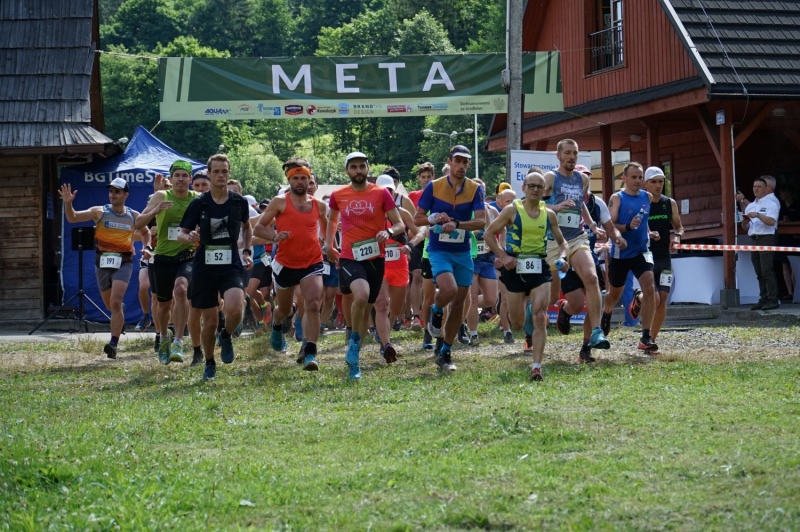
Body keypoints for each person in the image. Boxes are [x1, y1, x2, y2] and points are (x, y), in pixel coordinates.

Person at [484, 171, 570, 381]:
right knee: (517, 324)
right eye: (530, 186)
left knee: (540, 316)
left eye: (538, 187)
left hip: (539, 265)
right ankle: (528, 307)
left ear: (544, 191)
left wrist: (565, 257)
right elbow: (488, 233)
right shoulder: (512, 210)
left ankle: (537, 366)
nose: (534, 189)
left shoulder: (549, 214)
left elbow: (562, 242)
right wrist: (503, 256)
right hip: (514, 267)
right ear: (523, 188)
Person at [325, 152, 404, 380]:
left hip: (376, 258)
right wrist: (329, 245)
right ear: (347, 171)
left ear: (368, 169)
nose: (358, 171)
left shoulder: (380, 194)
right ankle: (354, 343)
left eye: (362, 166)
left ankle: (355, 346)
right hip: (350, 256)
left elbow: (398, 224)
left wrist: (387, 231)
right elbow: (332, 220)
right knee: (361, 295)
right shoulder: (338, 195)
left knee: (368, 304)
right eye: (354, 167)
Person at [177, 154, 253, 381]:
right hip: (204, 265)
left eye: (224, 171)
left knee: (235, 309)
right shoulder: (199, 203)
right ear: (209, 174)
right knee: (209, 321)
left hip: (230, 262)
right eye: (216, 171)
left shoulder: (239, 201)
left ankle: (227, 334)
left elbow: (247, 228)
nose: (221, 175)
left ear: (229, 173)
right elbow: (181, 233)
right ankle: (209, 362)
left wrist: (247, 251)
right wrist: (188, 237)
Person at [58, 177, 151, 359]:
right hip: (103, 263)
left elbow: (146, 233)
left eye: (117, 191)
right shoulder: (99, 212)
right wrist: (68, 204)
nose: (113, 195)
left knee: (115, 302)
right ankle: (119, 313)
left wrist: (146, 248)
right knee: (111, 306)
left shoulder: (134, 216)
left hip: (124, 262)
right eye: (111, 191)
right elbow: (73, 217)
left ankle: (113, 343)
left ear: (126, 195)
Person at [414, 145, 486, 371]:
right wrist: (433, 218)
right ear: (449, 162)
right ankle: (436, 310)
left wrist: (457, 224)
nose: (462, 166)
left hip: (463, 251)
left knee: (458, 305)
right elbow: (417, 219)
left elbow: (481, 221)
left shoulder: (475, 189)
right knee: (449, 290)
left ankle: (445, 351)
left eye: (466, 162)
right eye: (458, 161)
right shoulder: (434, 187)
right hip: (438, 250)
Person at [255, 158, 327, 371]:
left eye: (304, 178)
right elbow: (259, 228)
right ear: (289, 180)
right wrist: (275, 236)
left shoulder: (319, 206)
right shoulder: (280, 202)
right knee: (285, 309)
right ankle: (277, 326)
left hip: (312, 262)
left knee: (313, 303)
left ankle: (310, 352)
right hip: (285, 264)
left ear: (310, 179)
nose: (300, 182)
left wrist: (328, 245)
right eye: (295, 178)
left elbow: (327, 228)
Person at [543, 139, 612, 352]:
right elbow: (536, 204)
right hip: (554, 240)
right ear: (559, 155)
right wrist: (557, 206)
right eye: (568, 153)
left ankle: (596, 332)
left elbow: (581, 203)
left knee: (592, 279)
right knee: (552, 296)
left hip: (577, 238)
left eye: (575, 153)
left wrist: (592, 224)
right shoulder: (551, 178)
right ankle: (533, 319)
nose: (572, 157)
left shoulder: (581, 179)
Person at [554, 164, 625, 362]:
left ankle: (586, 347)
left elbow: (611, 228)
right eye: (580, 179)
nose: (583, 184)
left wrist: (616, 237)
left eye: (586, 179)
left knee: (594, 291)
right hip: (565, 252)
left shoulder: (597, 203)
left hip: (586, 253)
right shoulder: (560, 196)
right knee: (577, 304)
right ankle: (565, 309)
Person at [136, 160, 201, 365]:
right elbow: (138, 224)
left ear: (190, 179)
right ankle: (164, 337)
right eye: (177, 175)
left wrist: (198, 234)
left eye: (185, 175)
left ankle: (179, 342)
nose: (181, 179)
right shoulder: (161, 196)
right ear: (171, 179)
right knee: (163, 306)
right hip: (163, 256)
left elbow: (205, 222)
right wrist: (155, 211)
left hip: (187, 255)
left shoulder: (197, 199)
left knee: (181, 291)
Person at [600, 162, 659, 352]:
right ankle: (607, 313)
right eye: (633, 177)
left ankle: (645, 337)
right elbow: (610, 226)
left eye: (640, 177)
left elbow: (643, 220)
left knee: (649, 287)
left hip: (642, 250)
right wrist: (627, 228)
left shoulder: (647, 197)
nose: (637, 181)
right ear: (624, 178)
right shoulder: (617, 198)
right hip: (621, 252)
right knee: (614, 295)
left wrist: (649, 232)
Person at [626, 166, 685, 343]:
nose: (658, 185)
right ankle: (639, 297)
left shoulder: (669, 203)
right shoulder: (641, 202)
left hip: (664, 257)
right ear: (645, 183)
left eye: (661, 181)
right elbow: (634, 225)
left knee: (664, 298)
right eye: (653, 182)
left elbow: (679, 226)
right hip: (646, 255)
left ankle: (651, 339)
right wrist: (648, 232)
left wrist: (677, 238)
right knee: (656, 297)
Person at [738, 176, 780, 310]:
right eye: (754, 186)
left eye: (759, 186)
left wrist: (758, 215)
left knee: (767, 270)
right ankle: (763, 299)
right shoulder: (750, 206)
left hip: (766, 238)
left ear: (765, 189)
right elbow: (746, 228)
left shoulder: (771, 204)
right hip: (753, 238)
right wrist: (744, 222)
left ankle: (773, 300)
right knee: (759, 271)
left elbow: (772, 222)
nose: (756, 188)